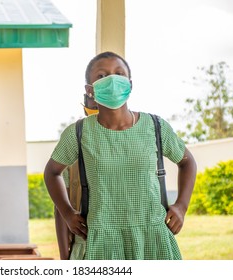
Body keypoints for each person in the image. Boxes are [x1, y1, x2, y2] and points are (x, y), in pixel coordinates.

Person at [44, 51, 197, 260]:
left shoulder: (155, 126)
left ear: (130, 85)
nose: (112, 80)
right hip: (101, 241)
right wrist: (68, 213)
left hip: (152, 238)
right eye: (101, 75)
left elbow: (187, 162)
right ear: (90, 90)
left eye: (119, 73)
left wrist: (181, 206)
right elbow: (52, 173)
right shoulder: (78, 133)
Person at [54, 94, 98, 260]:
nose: (99, 104)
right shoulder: (72, 147)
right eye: (93, 98)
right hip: (84, 245)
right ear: (84, 106)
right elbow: (60, 209)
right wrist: (65, 257)